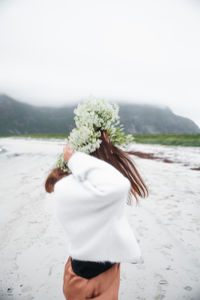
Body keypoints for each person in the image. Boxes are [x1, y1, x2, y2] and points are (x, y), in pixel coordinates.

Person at [45, 98, 149, 300]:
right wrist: (72, 157)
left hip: (81, 271)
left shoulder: (74, 185)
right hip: (96, 276)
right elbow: (117, 183)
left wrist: (73, 157)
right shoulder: (76, 187)